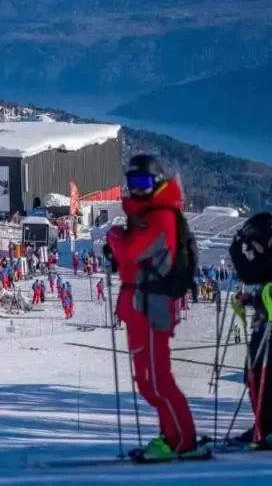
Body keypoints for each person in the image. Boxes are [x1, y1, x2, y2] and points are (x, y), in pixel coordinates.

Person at [105, 155, 206, 461]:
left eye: (144, 183)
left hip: (152, 306)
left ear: (157, 182)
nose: (137, 190)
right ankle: (171, 436)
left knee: (157, 380)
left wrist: (114, 237)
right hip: (140, 306)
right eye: (133, 183)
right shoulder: (146, 215)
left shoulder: (161, 216)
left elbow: (133, 250)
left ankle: (182, 440)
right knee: (149, 381)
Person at [228, 212, 272, 447]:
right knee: (253, 372)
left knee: (266, 372)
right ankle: (263, 426)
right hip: (265, 319)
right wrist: (251, 297)